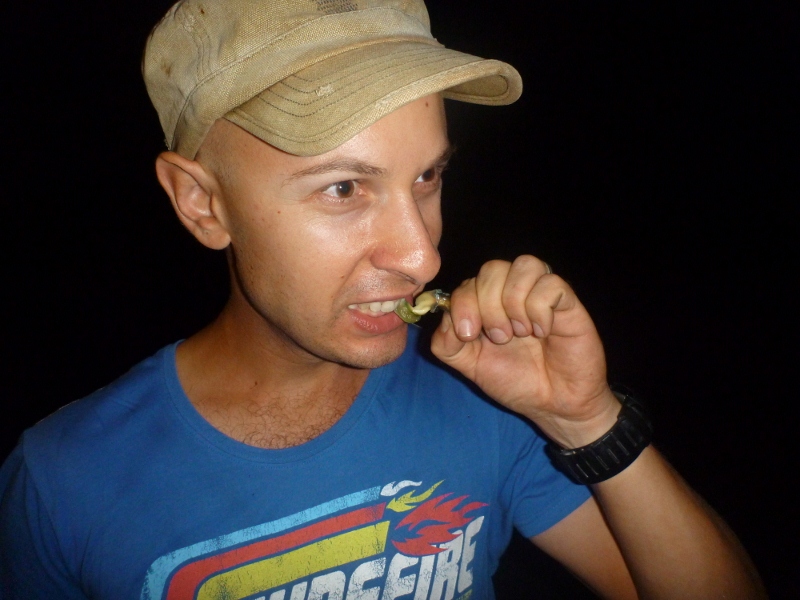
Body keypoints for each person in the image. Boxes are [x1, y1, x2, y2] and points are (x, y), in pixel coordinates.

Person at [0, 0, 766, 598]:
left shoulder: (484, 399)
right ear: (203, 203)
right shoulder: (65, 479)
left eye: (427, 178)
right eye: (344, 188)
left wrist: (586, 420)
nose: (422, 254)